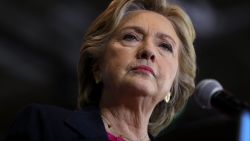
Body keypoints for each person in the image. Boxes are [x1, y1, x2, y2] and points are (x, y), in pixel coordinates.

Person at [4, 0, 196, 141]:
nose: (148, 51)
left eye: (165, 46)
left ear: (173, 85)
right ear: (97, 67)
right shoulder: (44, 126)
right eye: (131, 37)